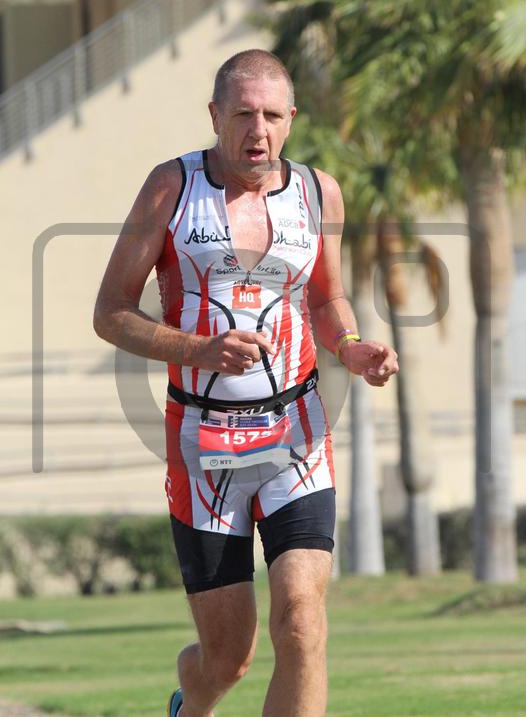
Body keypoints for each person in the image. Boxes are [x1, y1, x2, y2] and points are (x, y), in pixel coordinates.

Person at [93, 49, 398, 717]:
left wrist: (351, 347)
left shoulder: (318, 192)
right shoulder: (172, 188)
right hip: (203, 444)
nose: (258, 130)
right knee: (228, 657)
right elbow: (110, 312)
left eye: (271, 115)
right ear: (215, 116)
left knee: (302, 624)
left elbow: (327, 298)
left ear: (291, 118)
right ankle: (191, 703)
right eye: (242, 114)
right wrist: (199, 348)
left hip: (297, 433)